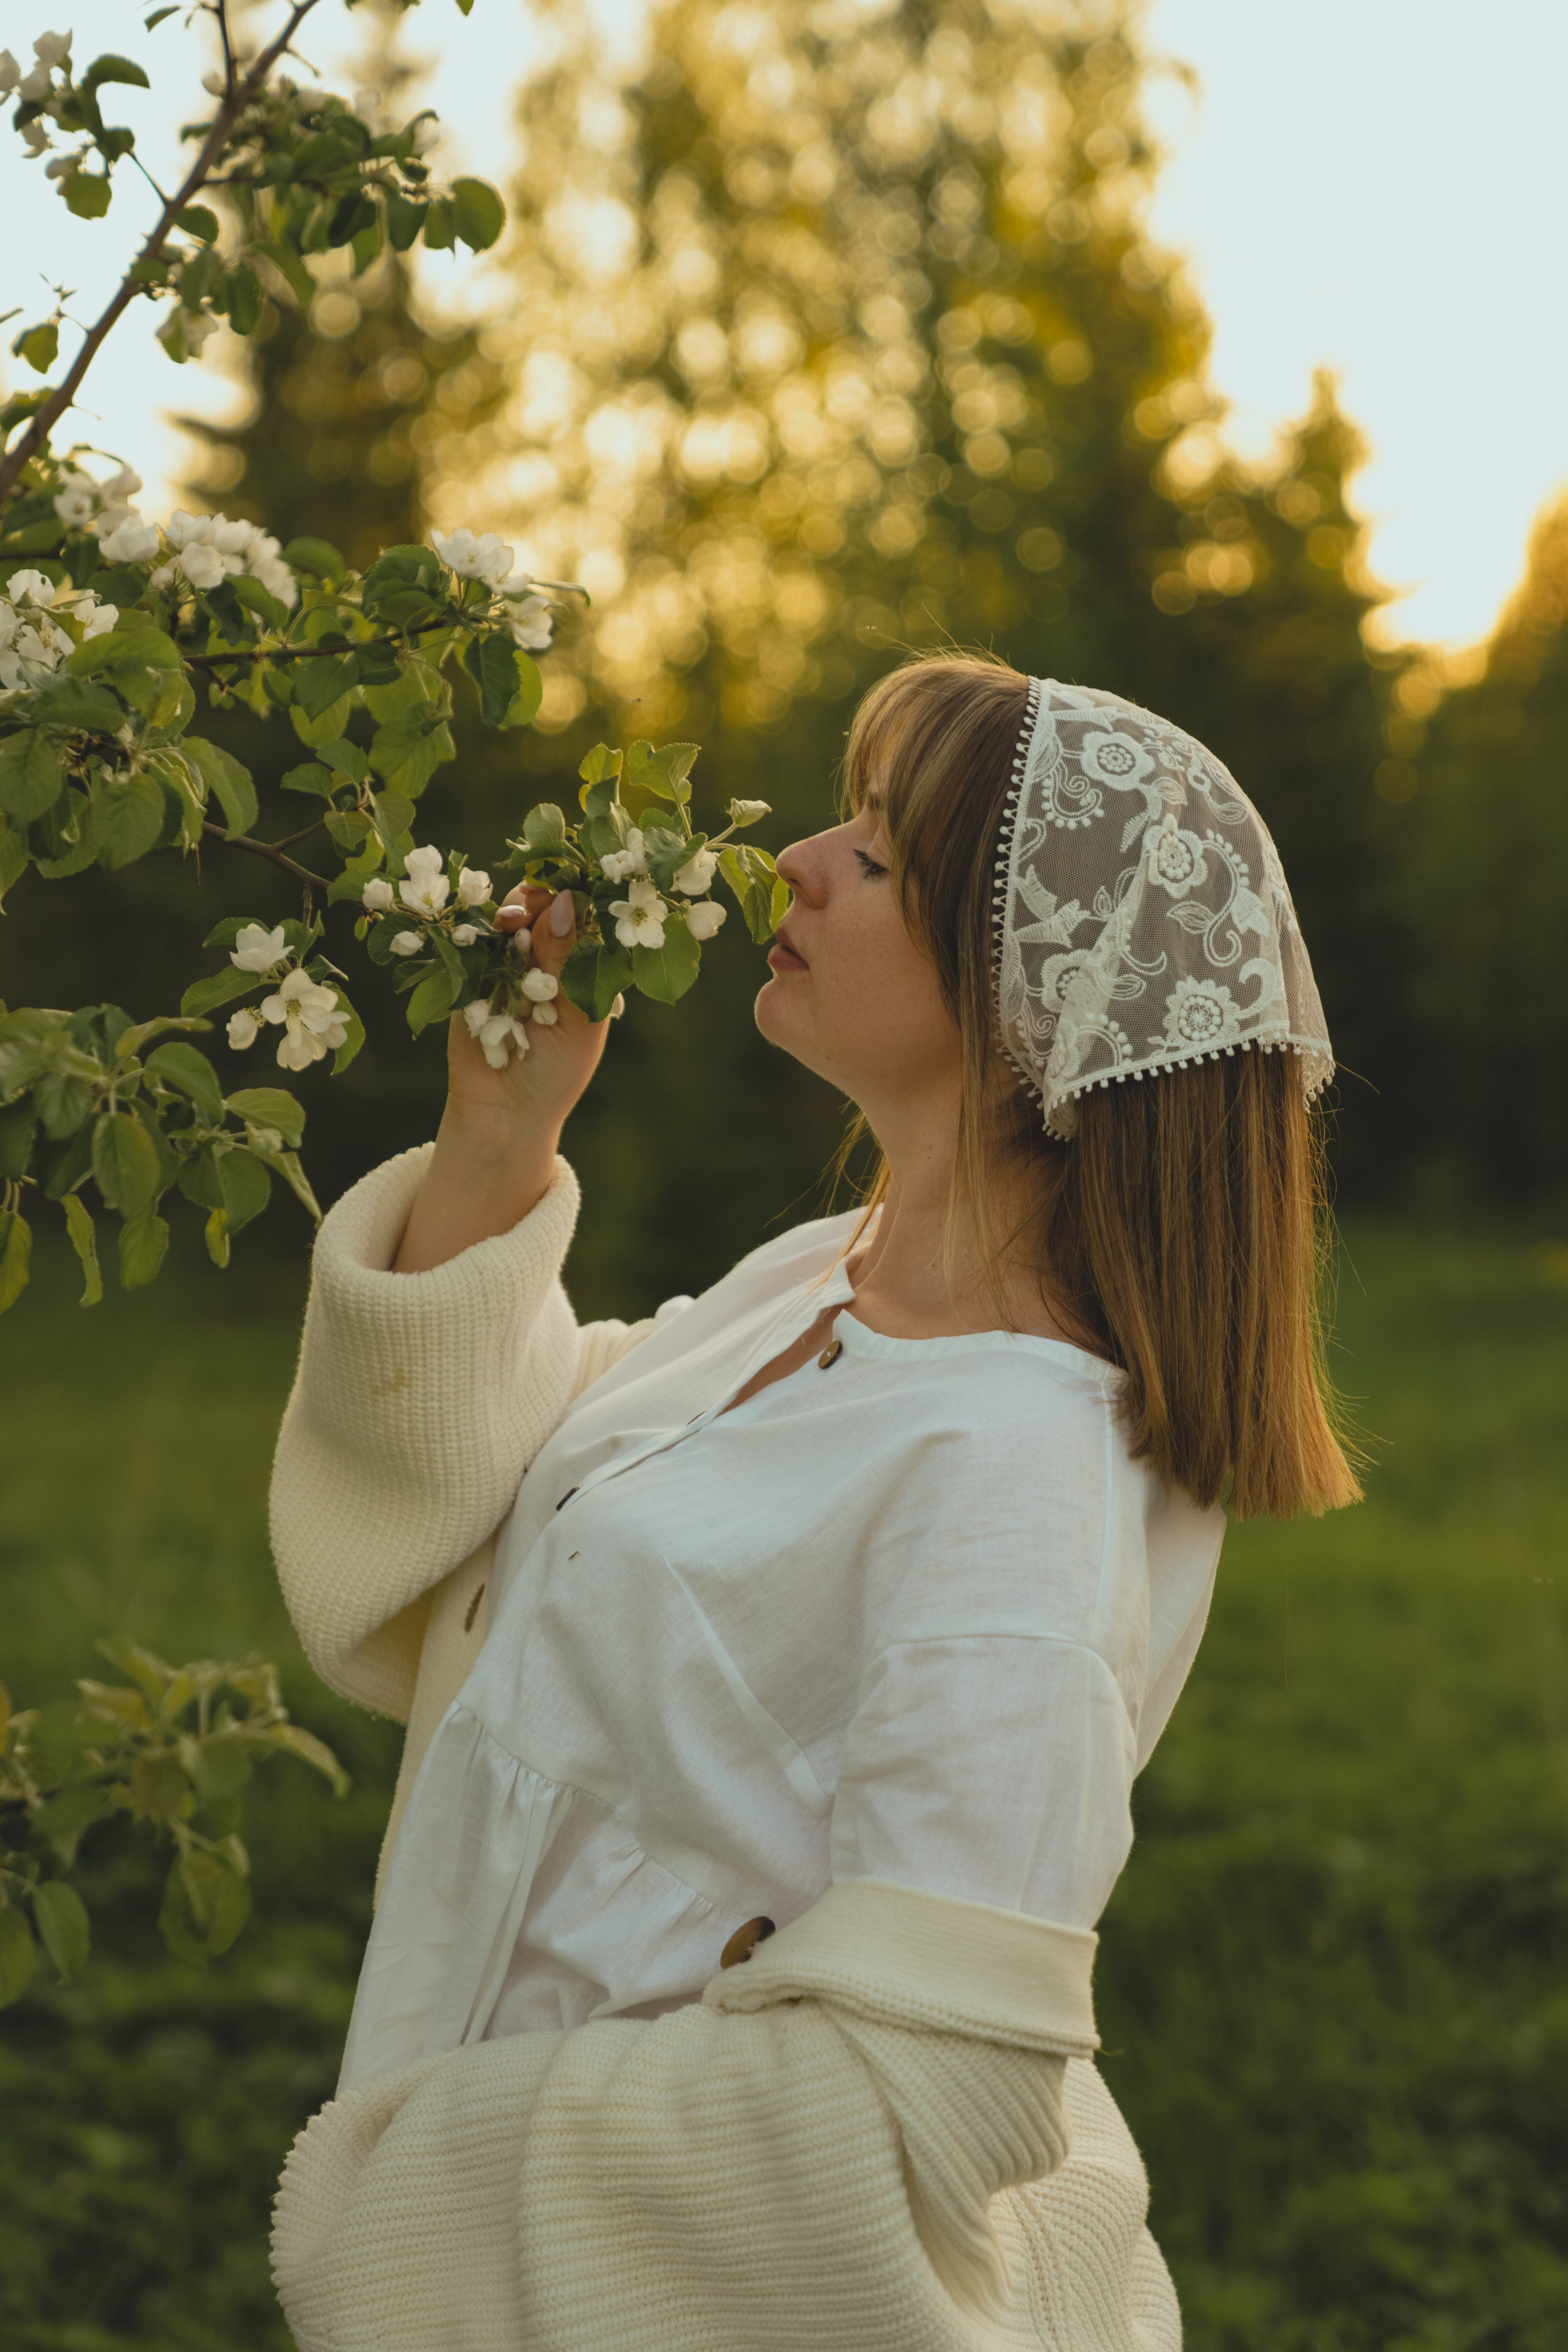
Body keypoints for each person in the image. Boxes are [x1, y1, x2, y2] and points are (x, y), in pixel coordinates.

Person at [268, 654, 1360, 2352]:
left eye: (884, 853)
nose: (801, 864)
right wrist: (498, 1140)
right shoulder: (820, 1284)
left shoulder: (1023, 1471)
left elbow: (925, 2089)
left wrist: (422, 2178)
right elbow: (520, 1531)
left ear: (1034, 993)